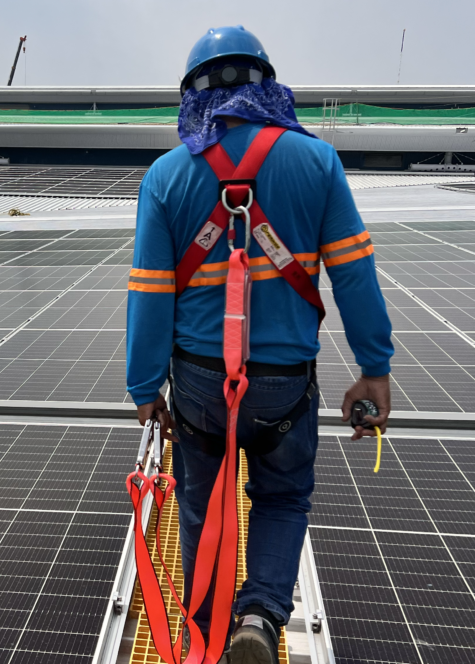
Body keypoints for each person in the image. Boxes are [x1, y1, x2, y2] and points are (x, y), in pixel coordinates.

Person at [126, 25, 393, 664]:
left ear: (191, 96)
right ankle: (261, 616)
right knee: (281, 498)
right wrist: (374, 368)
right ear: (266, 84)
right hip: (282, 383)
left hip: (195, 383)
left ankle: (209, 631)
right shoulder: (316, 160)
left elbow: (149, 291)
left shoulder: (166, 176)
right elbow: (354, 272)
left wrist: (144, 390)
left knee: (200, 505)